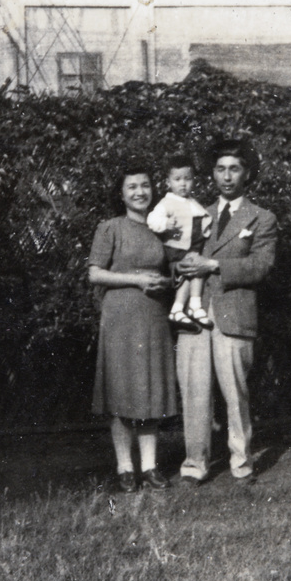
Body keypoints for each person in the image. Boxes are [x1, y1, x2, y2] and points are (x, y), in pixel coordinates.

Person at [175, 139, 277, 484]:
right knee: (194, 389)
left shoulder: (262, 218)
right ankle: (194, 464)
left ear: (246, 173)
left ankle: (241, 463)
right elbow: (178, 258)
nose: (227, 176)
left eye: (234, 169)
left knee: (235, 392)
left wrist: (213, 264)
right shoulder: (196, 214)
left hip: (234, 314)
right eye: (220, 169)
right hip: (196, 312)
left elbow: (260, 266)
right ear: (212, 174)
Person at [88, 161, 177, 493]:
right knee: (121, 393)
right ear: (122, 194)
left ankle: (151, 466)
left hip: (153, 316)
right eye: (132, 187)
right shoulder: (110, 228)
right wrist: (136, 279)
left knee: (150, 388)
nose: (140, 192)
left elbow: (172, 275)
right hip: (120, 318)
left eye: (145, 185)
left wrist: (163, 284)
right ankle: (125, 468)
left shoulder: (161, 228)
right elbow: (95, 273)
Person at [147, 155, 213, 333]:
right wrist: (164, 225)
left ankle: (178, 308)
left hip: (190, 246)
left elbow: (203, 217)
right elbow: (152, 219)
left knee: (191, 273)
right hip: (176, 246)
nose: (183, 184)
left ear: (194, 181)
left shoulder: (192, 202)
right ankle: (194, 305)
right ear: (168, 182)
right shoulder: (167, 202)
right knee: (196, 266)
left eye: (187, 179)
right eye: (177, 179)